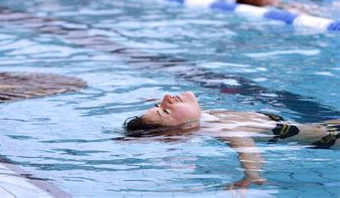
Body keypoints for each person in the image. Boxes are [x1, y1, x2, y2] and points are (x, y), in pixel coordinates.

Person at [124, 91, 340, 189]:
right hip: (329, 137)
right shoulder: (221, 128)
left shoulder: (203, 118)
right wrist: (251, 175)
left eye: (158, 105)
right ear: (180, 131)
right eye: (165, 111)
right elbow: (247, 149)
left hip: (324, 127)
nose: (166, 99)